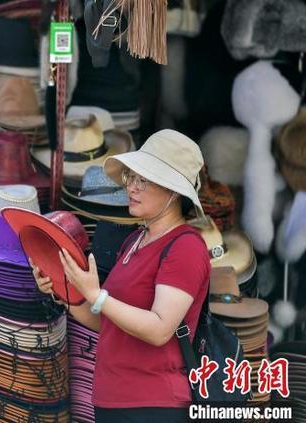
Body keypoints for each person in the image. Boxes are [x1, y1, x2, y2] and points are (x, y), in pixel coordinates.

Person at [31, 129, 210, 422]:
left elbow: (159, 329)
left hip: (154, 404)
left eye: (145, 180)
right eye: (132, 177)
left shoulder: (186, 247)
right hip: (113, 400)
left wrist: (96, 295)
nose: (132, 187)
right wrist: (62, 290)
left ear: (174, 191)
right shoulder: (135, 241)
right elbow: (105, 321)